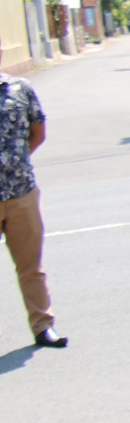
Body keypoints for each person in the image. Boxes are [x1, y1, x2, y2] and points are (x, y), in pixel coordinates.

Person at [0, 69, 63, 350]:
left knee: (31, 267)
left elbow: (38, 132)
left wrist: (15, 163)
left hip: (21, 193)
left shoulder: (20, 88)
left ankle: (43, 327)